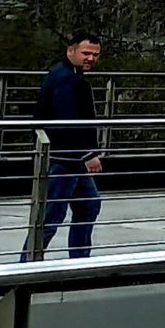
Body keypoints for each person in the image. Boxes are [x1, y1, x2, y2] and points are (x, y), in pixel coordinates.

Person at [23, 32, 103, 261]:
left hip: (71, 158)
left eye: (95, 54)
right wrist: (88, 153)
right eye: (86, 53)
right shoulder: (65, 78)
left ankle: (78, 260)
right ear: (71, 50)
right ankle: (28, 265)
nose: (90, 58)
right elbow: (66, 118)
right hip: (64, 158)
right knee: (52, 216)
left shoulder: (69, 75)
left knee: (88, 206)